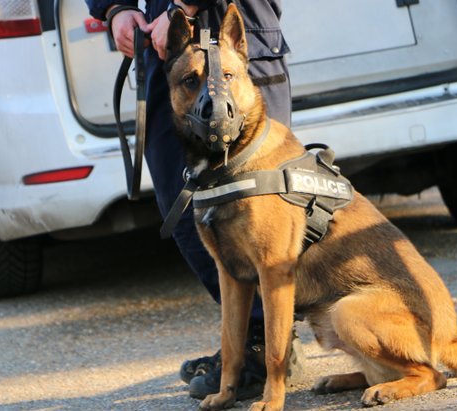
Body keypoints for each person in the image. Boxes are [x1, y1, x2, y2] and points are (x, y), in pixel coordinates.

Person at [85, 0, 300, 400]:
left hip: (229, 20)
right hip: (167, 43)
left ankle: (263, 347)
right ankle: (247, 344)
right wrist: (114, 9)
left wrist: (181, 6)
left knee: (259, 215)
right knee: (186, 209)